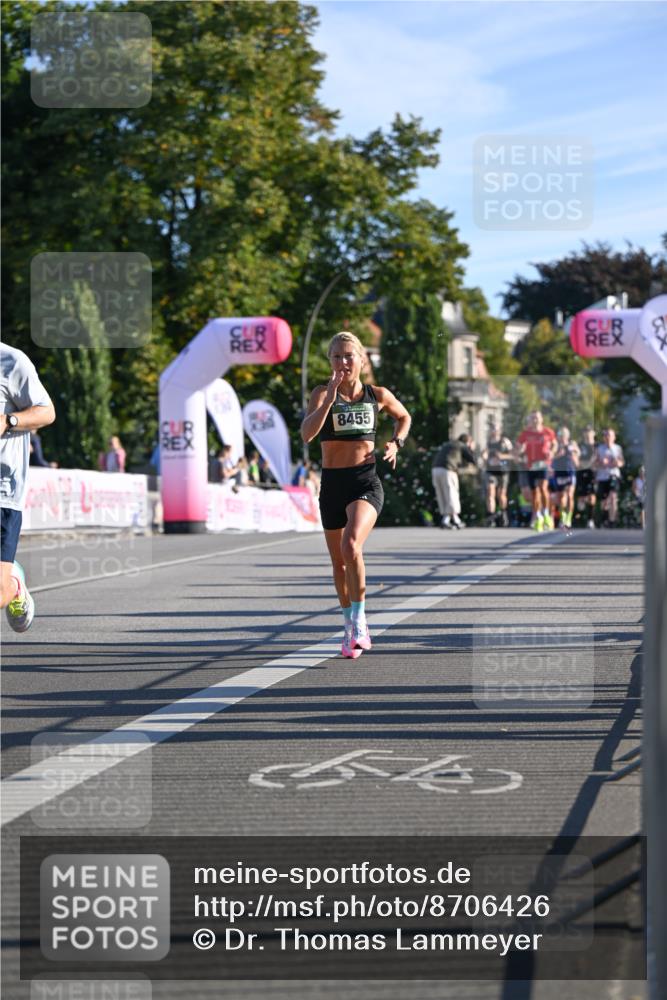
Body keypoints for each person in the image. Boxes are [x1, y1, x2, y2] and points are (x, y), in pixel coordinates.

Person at [301, 330, 410, 659]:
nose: (343, 362)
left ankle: (361, 620)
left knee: (351, 544)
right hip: (332, 484)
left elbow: (404, 416)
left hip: (365, 481)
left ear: (362, 360)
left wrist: (396, 443)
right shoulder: (322, 393)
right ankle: (349, 624)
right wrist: (331, 397)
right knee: (339, 563)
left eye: (349, 356)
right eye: (336, 357)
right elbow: (307, 434)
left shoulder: (376, 394)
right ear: (330, 362)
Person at [1, 344, 56, 632]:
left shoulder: (11, 361)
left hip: (3, 491)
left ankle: (13, 584)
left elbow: (47, 413)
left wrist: (9, 421)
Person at [515, 411, 557, 532]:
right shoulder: (526, 433)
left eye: (537, 418)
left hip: (544, 463)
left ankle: (546, 513)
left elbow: (555, 444)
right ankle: (538, 515)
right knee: (534, 492)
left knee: (543, 488)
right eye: (533, 418)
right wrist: (520, 451)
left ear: (541, 419)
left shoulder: (548, 432)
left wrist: (552, 452)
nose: (535, 420)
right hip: (531, 465)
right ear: (530, 420)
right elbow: (518, 446)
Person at [431, 434, 477, 529]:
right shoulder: (462, 445)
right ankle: (455, 521)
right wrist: (472, 449)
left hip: (435, 469)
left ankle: (448, 520)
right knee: (452, 494)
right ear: (467, 441)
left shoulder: (449, 444)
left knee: (442, 495)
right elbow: (472, 460)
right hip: (448, 470)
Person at [482, 427, 513, 527]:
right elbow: (484, 455)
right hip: (491, 471)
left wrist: (502, 457)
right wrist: (484, 457)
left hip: (502, 471)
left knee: (501, 494)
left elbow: (512, 455)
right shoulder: (488, 443)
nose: (494, 432)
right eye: (492, 430)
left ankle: (503, 513)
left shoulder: (504, 442)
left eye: (495, 430)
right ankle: (491, 516)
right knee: (490, 492)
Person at [594, 427, 624, 527]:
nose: (608, 437)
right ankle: (605, 518)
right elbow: (595, 463)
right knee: (604, 500)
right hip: (602, 476)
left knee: (613, 496)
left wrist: (617, 463)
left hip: (614, 475)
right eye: (606, 435)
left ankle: (613, 520)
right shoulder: (600, 448)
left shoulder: (617, 448)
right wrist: (602, 463)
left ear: (614, 437)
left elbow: (621, 462)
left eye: (610, 435)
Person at [551, 426, 580, 529]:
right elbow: (550, 458)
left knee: (570, 495)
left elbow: (577, 462)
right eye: (561, 436)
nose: (562, 438)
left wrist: (573, 455)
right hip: (559, 472)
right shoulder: (556, 446)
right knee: (561, 497)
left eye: (564, 436)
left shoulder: (572, 445)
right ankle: (563, 518)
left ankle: (569, 518)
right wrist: (558, 455)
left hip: (569, 472)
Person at [576, 425, 597, 529]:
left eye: (590, 432)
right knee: (581, 498)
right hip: (581, 472)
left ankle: (590, 520)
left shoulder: (596, 446)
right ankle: (579, 518)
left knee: (592, 496)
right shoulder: (580, 446)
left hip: (592, 473)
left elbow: (597, 460)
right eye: (586, 432)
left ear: (593, 433)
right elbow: (576, 458)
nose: (588, 434)